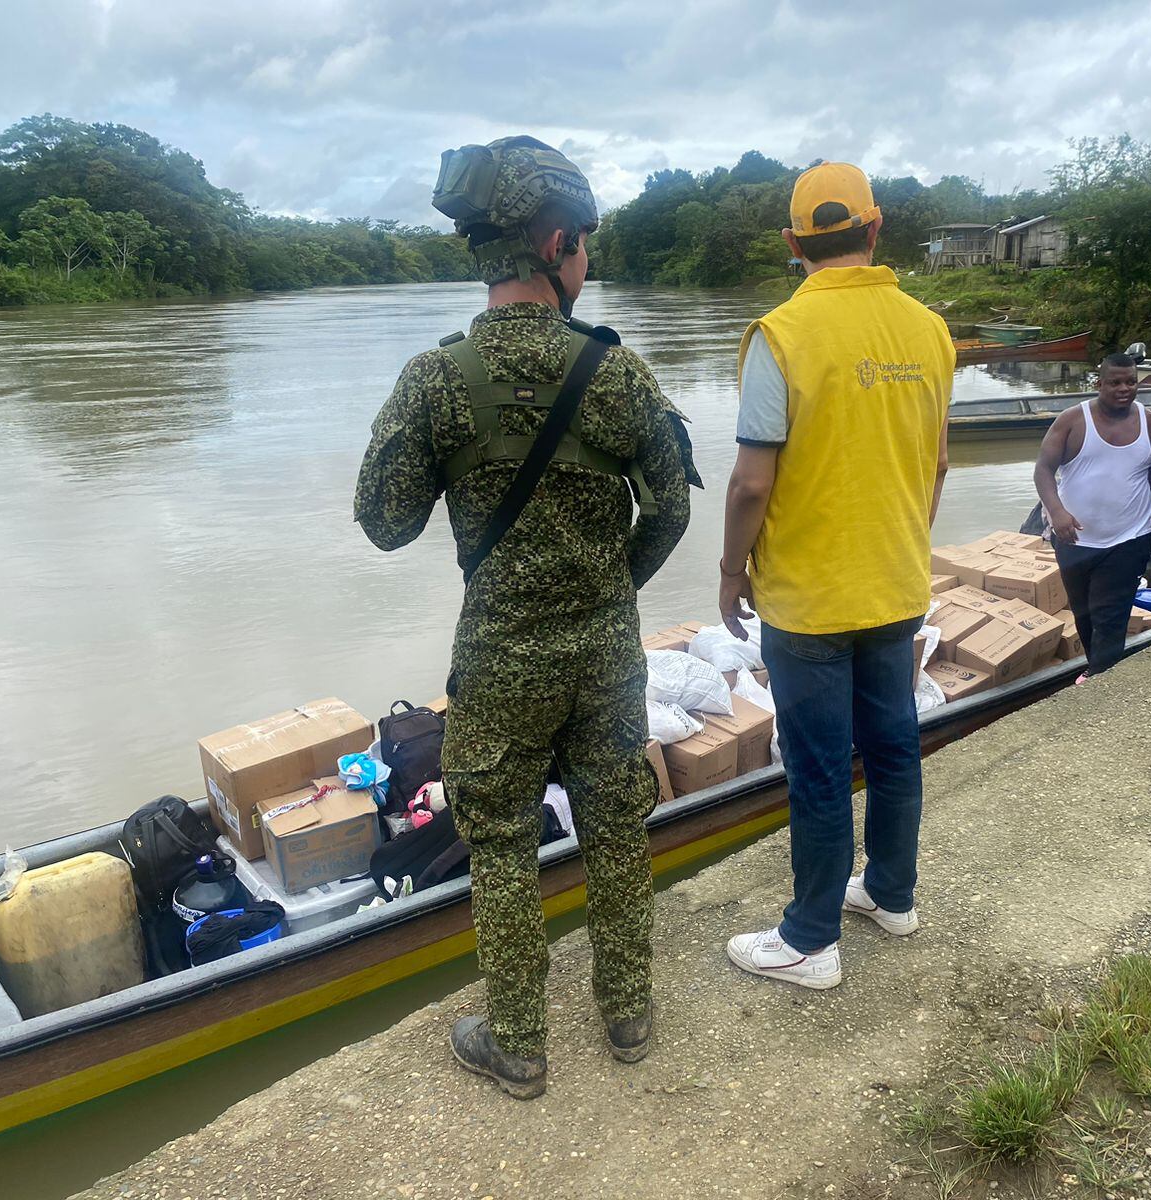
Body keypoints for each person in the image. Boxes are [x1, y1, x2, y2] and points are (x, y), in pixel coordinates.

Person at [354, 136, 699, 1098]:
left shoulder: (434, 380)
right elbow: (670, 510)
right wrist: (606, 586)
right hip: (602, 654)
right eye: (584, 243)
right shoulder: (619, 374)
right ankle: (626, 1014)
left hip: (498, 656)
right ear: (553, 244)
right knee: (616, 826)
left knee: (500, 841)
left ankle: (518, 1042)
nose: (587, 261)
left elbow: (383, 523)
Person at [716, 161, 954, 990]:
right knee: (893, 749)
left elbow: (752, 481)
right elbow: (938, 463)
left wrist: (729, 568)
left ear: (792, 244)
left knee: (818, 770)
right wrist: (899, 544)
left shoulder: (780, 336)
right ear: (876, 227)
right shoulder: (929, 330)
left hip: (811, 602)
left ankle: (811, 939)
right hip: (893, 586)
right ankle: (891, 895)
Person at [1033, 352, 1151, 677]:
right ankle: (1097, 672)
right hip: (1074, 539)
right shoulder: (1072, 421)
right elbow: (1043, 470)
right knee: (1084, 613)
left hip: (1127, 540)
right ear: (1099, 383)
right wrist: (1057, 513)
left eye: (1131, 382)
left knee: (1111, 616)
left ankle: (1101, 683)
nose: (1124, 389)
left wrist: (1148, 530)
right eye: (1115, 382)